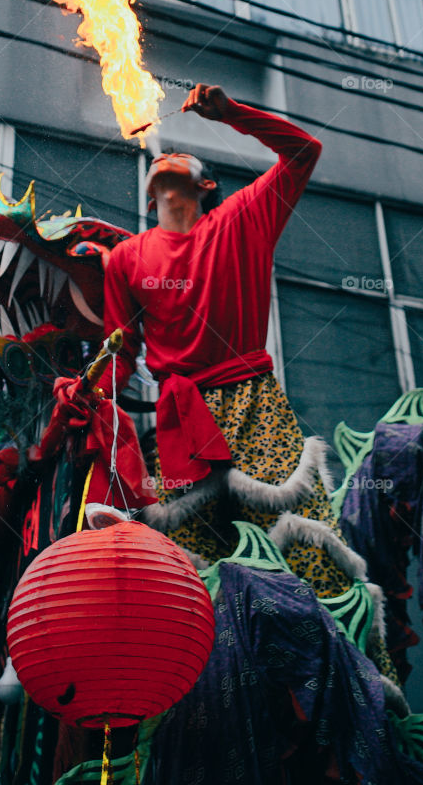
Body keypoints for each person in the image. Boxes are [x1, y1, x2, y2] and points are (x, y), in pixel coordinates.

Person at [103, 83, 351, 595]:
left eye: (181, 157)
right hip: (181, 419)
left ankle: (327, 638)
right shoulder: (126, 258)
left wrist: (231, 112)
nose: (166, 157)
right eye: (160, 160)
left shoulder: (242, 219)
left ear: (207, 184)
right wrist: (90, 391)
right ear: (148, 195)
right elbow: (120, 353)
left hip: (253, 400)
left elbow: (305, 151)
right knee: (181, 568)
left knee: (307, 546)